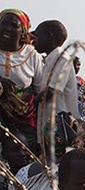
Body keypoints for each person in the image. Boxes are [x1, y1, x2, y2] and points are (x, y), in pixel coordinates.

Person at [32, 20, 79, 153]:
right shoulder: (46, 62)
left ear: (49, 36)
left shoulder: (62, 59)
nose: (34, 40)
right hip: (49, 129)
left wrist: (29, 103)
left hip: (63, 129)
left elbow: (51, 91)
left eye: (37, 36)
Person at [0, 9, 43, 150]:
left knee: (24, 152)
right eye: (4, 24)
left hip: (24, 117)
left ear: (23, 31)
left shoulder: (32, 55)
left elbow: (39, 89)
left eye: (14, 26)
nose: (7, 28)